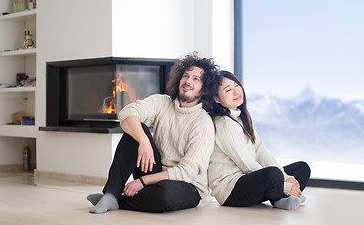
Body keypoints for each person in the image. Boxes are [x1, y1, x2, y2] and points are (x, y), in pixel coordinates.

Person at [87, 52, 219, 213]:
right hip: (155, 173)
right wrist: (143, 140)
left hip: (187, 185)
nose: (188, 81)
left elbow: (187, 172)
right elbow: (128, 112)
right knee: (136, 129)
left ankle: (119, 201)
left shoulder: (203, 123)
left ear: (204, 90)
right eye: (186, 76)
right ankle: (111, 194)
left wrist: (142, 181)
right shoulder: (162, 102)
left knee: (165, 194)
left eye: (196, 79)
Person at [207, 71, 311, 210]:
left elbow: (261, 150)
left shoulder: (240, 118)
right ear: (217, 99)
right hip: (231, 190)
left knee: (302, 168)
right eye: (228, 90)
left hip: (249, 180)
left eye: (236, 85)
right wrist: (285, 186)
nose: (236, 91)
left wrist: (286, 177)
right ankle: (281, 197)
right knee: (273, 174)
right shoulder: (223, 123)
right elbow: (247, 164)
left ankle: (282, 197)